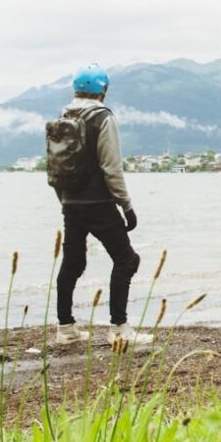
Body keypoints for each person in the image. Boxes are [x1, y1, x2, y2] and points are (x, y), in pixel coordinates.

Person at [53, 65, 152, 347]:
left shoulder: (63, 118)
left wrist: (65, 201)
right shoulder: (102, 118)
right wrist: (127, 206)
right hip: (99, 203)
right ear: (103, 91)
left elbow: (55, 167)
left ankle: (66, 328)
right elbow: (111, 168)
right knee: (127, 260)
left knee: (72, 263)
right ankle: (119, 328)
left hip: (70, 202)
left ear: (75, 90)